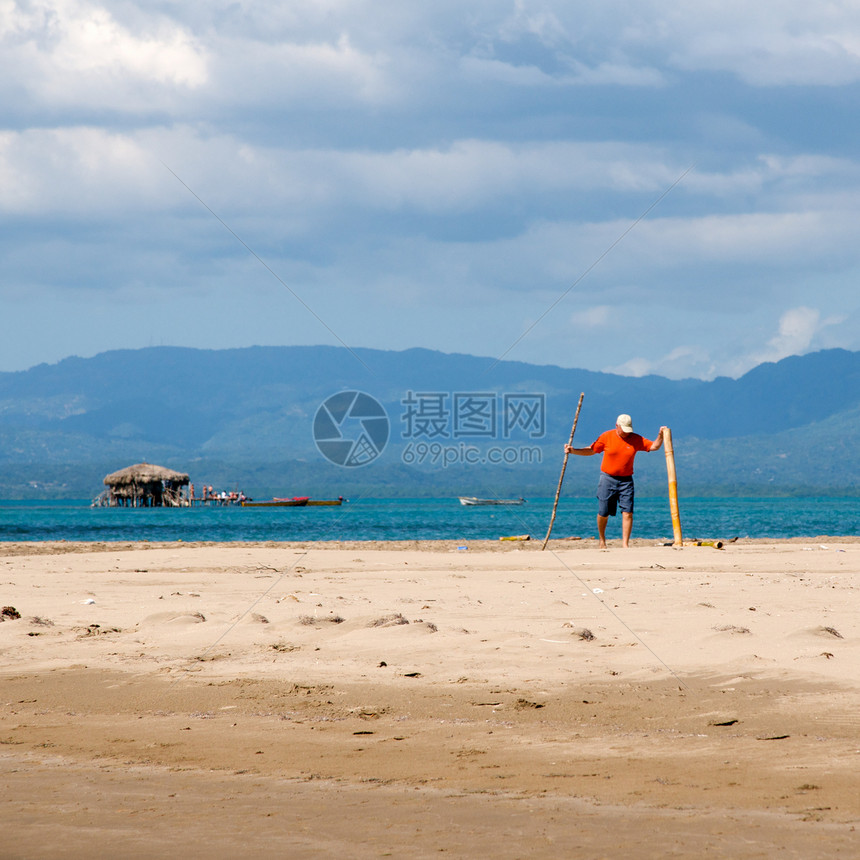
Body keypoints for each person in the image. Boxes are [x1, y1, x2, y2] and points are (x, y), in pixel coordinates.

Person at [566, 414, 667, 548]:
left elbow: (654, 446)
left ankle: (625, 544)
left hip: (626, 481)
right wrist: (573, 451)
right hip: (607, 478)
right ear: (617, 426)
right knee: (603, 512)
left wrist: (660, 435)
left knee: (628, 512)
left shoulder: (635, 439)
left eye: (628, 430)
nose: (626, 433)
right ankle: (602, 540)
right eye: (623, 429)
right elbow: (591, 450)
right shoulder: (607, 436)